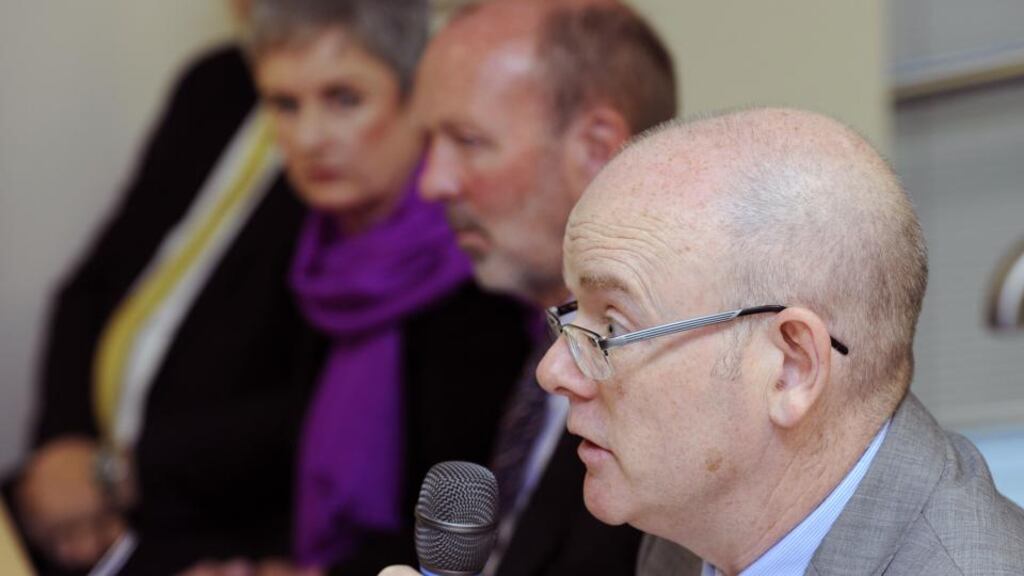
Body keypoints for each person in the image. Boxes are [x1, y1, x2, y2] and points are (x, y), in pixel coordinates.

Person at [534, 108, 1024, 575]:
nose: (552, 371)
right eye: (576, 310)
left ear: (792, 368)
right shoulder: (688, 533)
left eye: (615, 327)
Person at [177, 1, 531, 575]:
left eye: (344, 99)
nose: (309, 137)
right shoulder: (318, 251)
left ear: (418, 99)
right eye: (284, 105)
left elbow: (462, 534)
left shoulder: (472, 276)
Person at [8, 1, 325, 573]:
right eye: (288, 103)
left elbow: (312, 409)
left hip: (200, 519)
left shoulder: (357, 142)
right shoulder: (217, 81)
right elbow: (90, 286)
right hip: (82, 470)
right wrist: (63, 444)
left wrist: (119, 477)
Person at [410, 0, 677, 574]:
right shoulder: (484, 335)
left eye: (469, 140)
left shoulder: (678, 394)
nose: (433, 182)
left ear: (598, 149)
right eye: (429, 143)